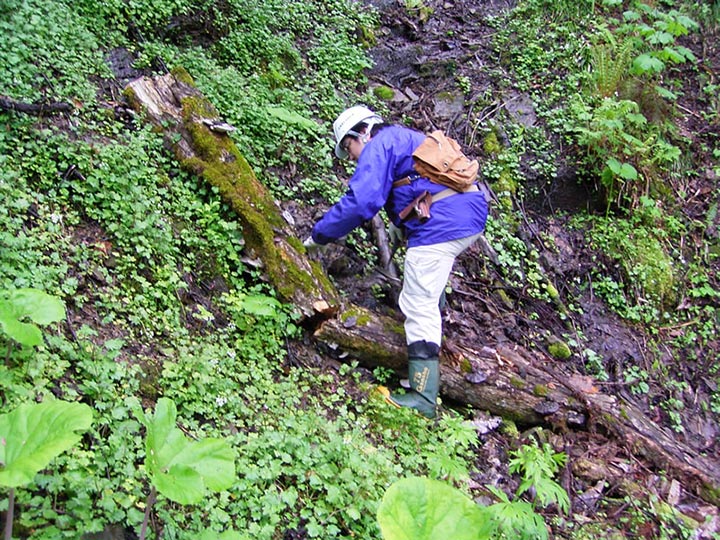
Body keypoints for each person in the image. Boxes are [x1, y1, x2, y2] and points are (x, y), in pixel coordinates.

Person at [304, 105, 488, 418]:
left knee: (418, 302)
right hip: (467, 211)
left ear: (362, 132)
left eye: (348, 148)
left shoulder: (380, 144)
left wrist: (319, 235)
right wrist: (399, 224)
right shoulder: (405, 137)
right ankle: (432, 347)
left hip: (444, 222)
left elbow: (361, 202)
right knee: (426, 287)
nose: (350, 157)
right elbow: (416, 186)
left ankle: (422, 396)